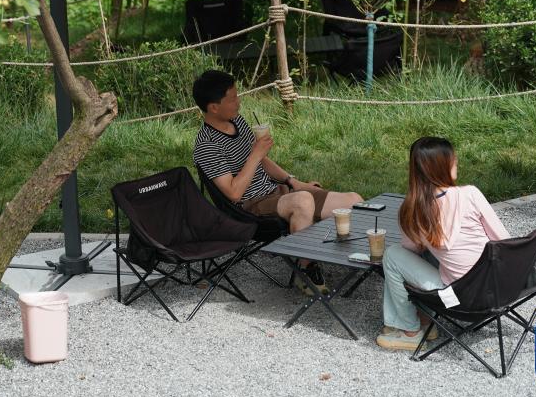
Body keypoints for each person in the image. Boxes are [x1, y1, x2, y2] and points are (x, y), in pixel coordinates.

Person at [191, 70, 362, 294]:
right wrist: (255, 154)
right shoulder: (207, 145)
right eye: (232, 99)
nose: (239, 102)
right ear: (214, 107)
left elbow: (263, 161)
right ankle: (305, 270)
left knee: (353, 201)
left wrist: (293, 181)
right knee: (302, 201)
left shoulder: (237, 121)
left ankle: (345, 256)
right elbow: (233, 193)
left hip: (275, 193)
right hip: (248, 206)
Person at [376, 136, 511, 350]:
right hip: (497, 290)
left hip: (457, 300)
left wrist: (429, 242)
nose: (457, 162)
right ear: (439, 167)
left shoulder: (413, 211)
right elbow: (504, 241)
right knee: (428, 254)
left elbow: (410, 250)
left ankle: (410, 330)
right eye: (452, 159)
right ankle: (425, 321)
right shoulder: (471, 194)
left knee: (393, 255)